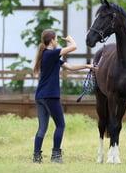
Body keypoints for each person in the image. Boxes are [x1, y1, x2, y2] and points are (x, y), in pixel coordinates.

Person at [32, 29, 95, 164]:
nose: (57, 42)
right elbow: (74, 47)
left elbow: (69, 66)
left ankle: (36, 157)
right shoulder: (51, 53)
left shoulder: (48, 55)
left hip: (40, 96)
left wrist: (86, 66)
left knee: (42, 127)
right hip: (50, 96)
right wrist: (70, 39)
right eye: (56, 39)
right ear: (53, 40)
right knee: (60, 125)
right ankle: (55, 156)